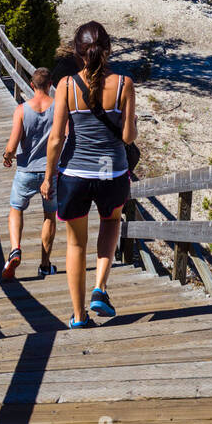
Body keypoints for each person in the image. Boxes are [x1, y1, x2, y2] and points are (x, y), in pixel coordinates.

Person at [41, 23, 136, 328]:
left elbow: (56, 138)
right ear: (107, 49)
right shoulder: (124, 84)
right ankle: (100, 288)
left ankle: (79, 315)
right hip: (112, 172)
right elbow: (128, 137)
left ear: (78, 53)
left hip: (75, 173)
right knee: (110, 222)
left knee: (75, 244)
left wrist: (47, 176)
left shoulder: (66, 86)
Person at [2, 68, 59, 281]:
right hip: (50, 172)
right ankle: (45, 265)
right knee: (49, 215)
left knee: (16, 209)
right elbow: (66, 137)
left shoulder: (22, 110)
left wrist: (7, 156)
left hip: (26, 170)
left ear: (32, 85)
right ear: (50, 83)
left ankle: (15, 248)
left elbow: (12, 143)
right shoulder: (58, 108)